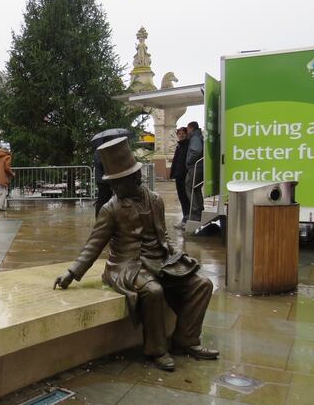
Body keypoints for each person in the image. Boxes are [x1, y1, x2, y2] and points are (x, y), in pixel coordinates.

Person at [54, 137, 218, 372]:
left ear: (134, 179)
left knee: (202, 284)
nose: (113, 188)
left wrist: (177, 255)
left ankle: (186, 340)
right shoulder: (111, 209)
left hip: (159, 260)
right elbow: (93, 245)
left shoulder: (156, 200)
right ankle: (157, 349)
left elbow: (164, 236)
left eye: (117, 183)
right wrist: (72, 273)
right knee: (153, 291)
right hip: (127, 265)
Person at [170, 127, 190, 228]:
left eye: (183, 133)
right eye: (179, 133)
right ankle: (185, 217)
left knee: (185, 197)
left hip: (184, 175)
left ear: (186, 134)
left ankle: (186, 219)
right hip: (179, 176)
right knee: (182, 197)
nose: (181, 135)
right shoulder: (180, 146)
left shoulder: (186, 145)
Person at [185, 121, 204, 222]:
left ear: (191, 128)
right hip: (199, 167)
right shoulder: (198, 136)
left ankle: (196, 212)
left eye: (187, 129)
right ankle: (200, 210)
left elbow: (196, 151)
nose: (187, 131)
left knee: (189, 187)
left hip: (195, 167)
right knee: (196, 189)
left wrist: (188, 160)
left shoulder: (195, 137)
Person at [93, 150, 112, 217]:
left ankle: (106, 217)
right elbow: (100, 163)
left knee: (107, 200)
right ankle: (99, 217)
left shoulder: (102, 151)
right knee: (102, 201)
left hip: (107, 180)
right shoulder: (98, 152)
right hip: (102, 181)